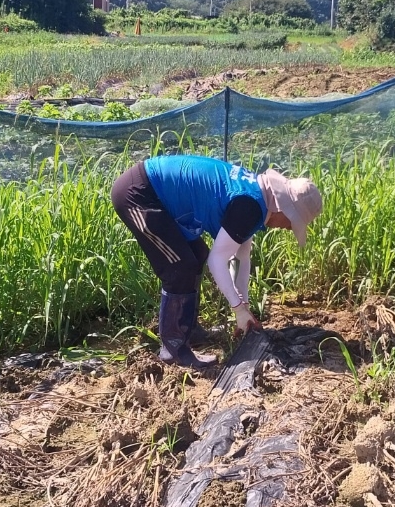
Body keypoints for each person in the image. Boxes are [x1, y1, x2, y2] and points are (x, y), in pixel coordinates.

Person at [110, 154, 323, 367]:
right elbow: (217, 261)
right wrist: (237, 309)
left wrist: (244, 305)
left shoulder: (258, 198)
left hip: (152, 192)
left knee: (197, 255)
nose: (288, 228)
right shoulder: (249, 205)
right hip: (139, 195)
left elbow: (241, 256)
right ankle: (173, 350)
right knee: (180, 267)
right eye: (292, 222)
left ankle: (188, 329)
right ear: (283, 208)